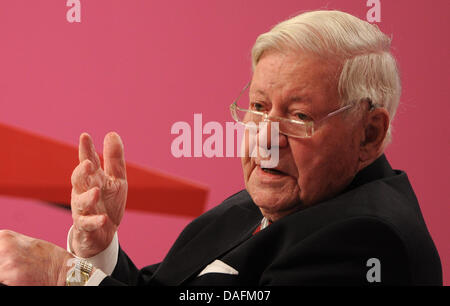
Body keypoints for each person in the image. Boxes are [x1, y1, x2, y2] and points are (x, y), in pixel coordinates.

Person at [0, 10, 442, 286]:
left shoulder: (367, 240)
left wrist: (66, 275)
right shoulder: (253, 206)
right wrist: (98, 250)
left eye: (299, 117)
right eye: (257, 107)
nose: (266, 139)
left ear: (368, 134)